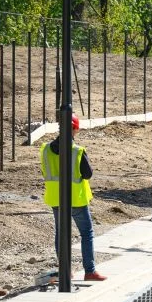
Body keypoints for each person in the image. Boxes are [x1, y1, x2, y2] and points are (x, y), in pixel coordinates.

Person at [40, 115, 106, 281]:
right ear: (75, 129)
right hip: (76, 200)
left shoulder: (46, 150)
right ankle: (89, 271)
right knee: (86, 233)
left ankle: (65, 271)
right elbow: (87, 174)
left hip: (56, 199)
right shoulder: (77, 151)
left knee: (61, 235)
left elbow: (44, 171)